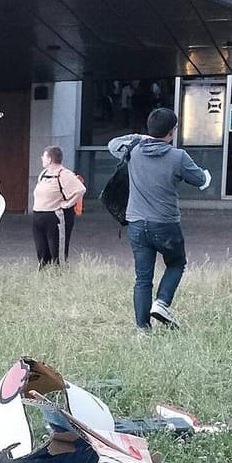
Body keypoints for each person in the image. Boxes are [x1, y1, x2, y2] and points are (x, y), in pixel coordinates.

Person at [108, 107, 211, 329]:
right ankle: (162, 302)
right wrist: (206, 174)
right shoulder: (177, 157)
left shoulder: (133, 151)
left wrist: (138, 137)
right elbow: (201, 181)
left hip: (136, 224)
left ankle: (142, 330)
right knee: (176, 262)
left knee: (142, 279)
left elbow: (112, 143)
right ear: (172, 131)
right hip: (165, 225)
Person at [30, 146, 84, 267]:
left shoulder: (64, 174)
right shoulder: (44, 174)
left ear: (49, 159)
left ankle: (60, 274)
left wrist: (68, 204)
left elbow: (80, 189)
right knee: (42, 250)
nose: (41, 159)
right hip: (39, 215)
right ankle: (44, 273)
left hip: (54, 216)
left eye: (44, 156)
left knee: (56, 251)